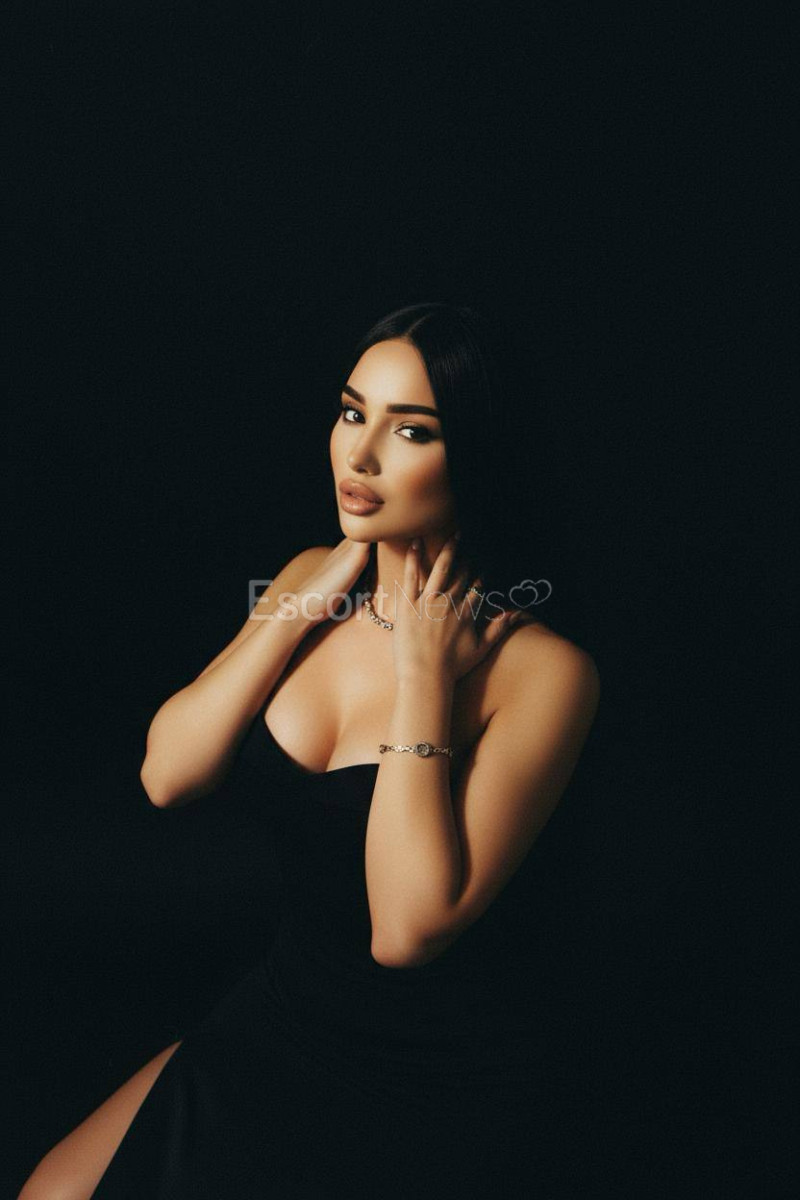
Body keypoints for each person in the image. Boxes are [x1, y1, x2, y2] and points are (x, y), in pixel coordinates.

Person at [18, 302, 601, 1198]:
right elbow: (168, 776)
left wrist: (422, 674)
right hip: (289, 1013)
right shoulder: (306, 581)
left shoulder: (547, 673)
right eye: (351, 412)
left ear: (477, 453)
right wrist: (306, 600)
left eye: (410, 430)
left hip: (439, 1078)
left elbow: (405, 931)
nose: (359, 455)